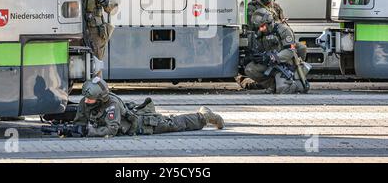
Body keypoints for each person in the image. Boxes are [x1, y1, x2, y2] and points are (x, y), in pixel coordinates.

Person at [65, 77, 225, 137]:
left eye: (91, 99)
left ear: (101, 98)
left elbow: (111, 130)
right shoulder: (85, 101)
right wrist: (74, 130)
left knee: (175, 124)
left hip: (144, 124)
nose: (87, 101)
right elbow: (80, 121)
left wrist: (90, 132)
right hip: (131, 123)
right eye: (86, 98)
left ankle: (204, 116)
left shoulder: (111, 105)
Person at [243, 8, 310, 94]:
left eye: (263, 26)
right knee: (250, 69)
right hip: (271, 64)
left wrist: (273, 57)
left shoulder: (283, 30)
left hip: (284, 64)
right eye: (259, 27)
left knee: (282, 89)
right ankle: (272, 85)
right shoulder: (260, 34)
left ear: (269, 23)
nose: (261, 29)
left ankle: (296, 85)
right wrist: (256, 56)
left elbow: (290, 51)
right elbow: (259, 50)